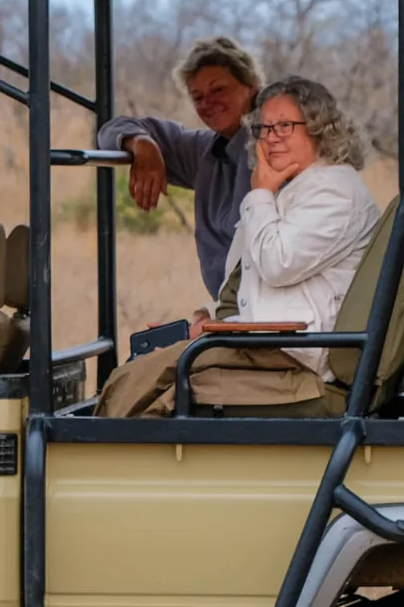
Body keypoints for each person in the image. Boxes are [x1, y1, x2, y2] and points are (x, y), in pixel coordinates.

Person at [98, 76, 382, 419]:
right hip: (271, 345)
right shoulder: (294, 187)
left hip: (295, 357)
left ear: (319, 129)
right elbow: (252, 282)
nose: (272, 138)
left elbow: (277, 263)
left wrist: (259, 193)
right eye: (264, 128)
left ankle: (105, 451)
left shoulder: (333, 189)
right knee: (139, 373)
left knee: (144, 388)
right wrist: (208, 320)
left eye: (285, 126)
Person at [97, 37, 263, 303]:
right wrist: (143, 144)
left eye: (219, 89)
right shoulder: (204, 151)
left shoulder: (276, 143)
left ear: (252, 86)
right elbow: (110, 130)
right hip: (228, 310)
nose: (208, 102)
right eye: (198, 97)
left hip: (274, 311)